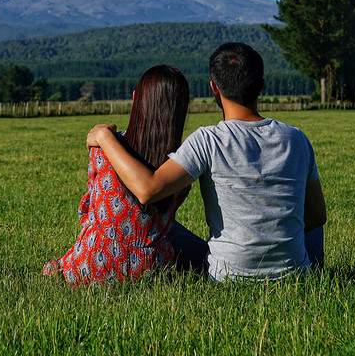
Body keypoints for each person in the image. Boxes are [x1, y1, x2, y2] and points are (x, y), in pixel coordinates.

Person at [87, 42, 326, 281]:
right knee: (313, 228)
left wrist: (104, 137)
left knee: (164, 230)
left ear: (214, 88)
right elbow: (317, 217)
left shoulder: (208, 140)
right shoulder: (296, 138)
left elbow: (148, 189)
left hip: (227, 276)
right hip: (295, 275)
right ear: (261, 86)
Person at [43, 64, 193, 284]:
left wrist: (103, 137)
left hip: (92, 263)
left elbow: (89, 207)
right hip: (152, 268)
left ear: (136, 99)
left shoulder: (103, 150)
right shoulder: (180, 164)